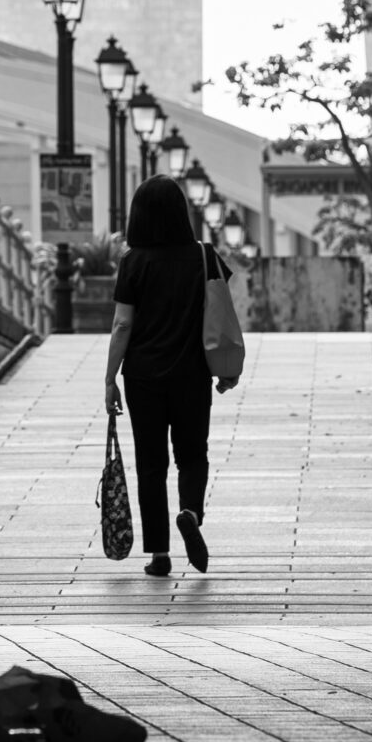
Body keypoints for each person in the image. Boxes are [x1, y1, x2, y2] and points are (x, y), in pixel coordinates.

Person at [103, 175, 238, 576]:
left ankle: (159, 555)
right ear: (181, 212)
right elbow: (221, 312)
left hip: (143, 377)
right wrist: (226, 366)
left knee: (151, 463)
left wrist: (110, 378)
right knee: (192, 454)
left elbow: (122, 324)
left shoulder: (133, 261)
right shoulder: (204, 255)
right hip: (192, 374)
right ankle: (190, 512)